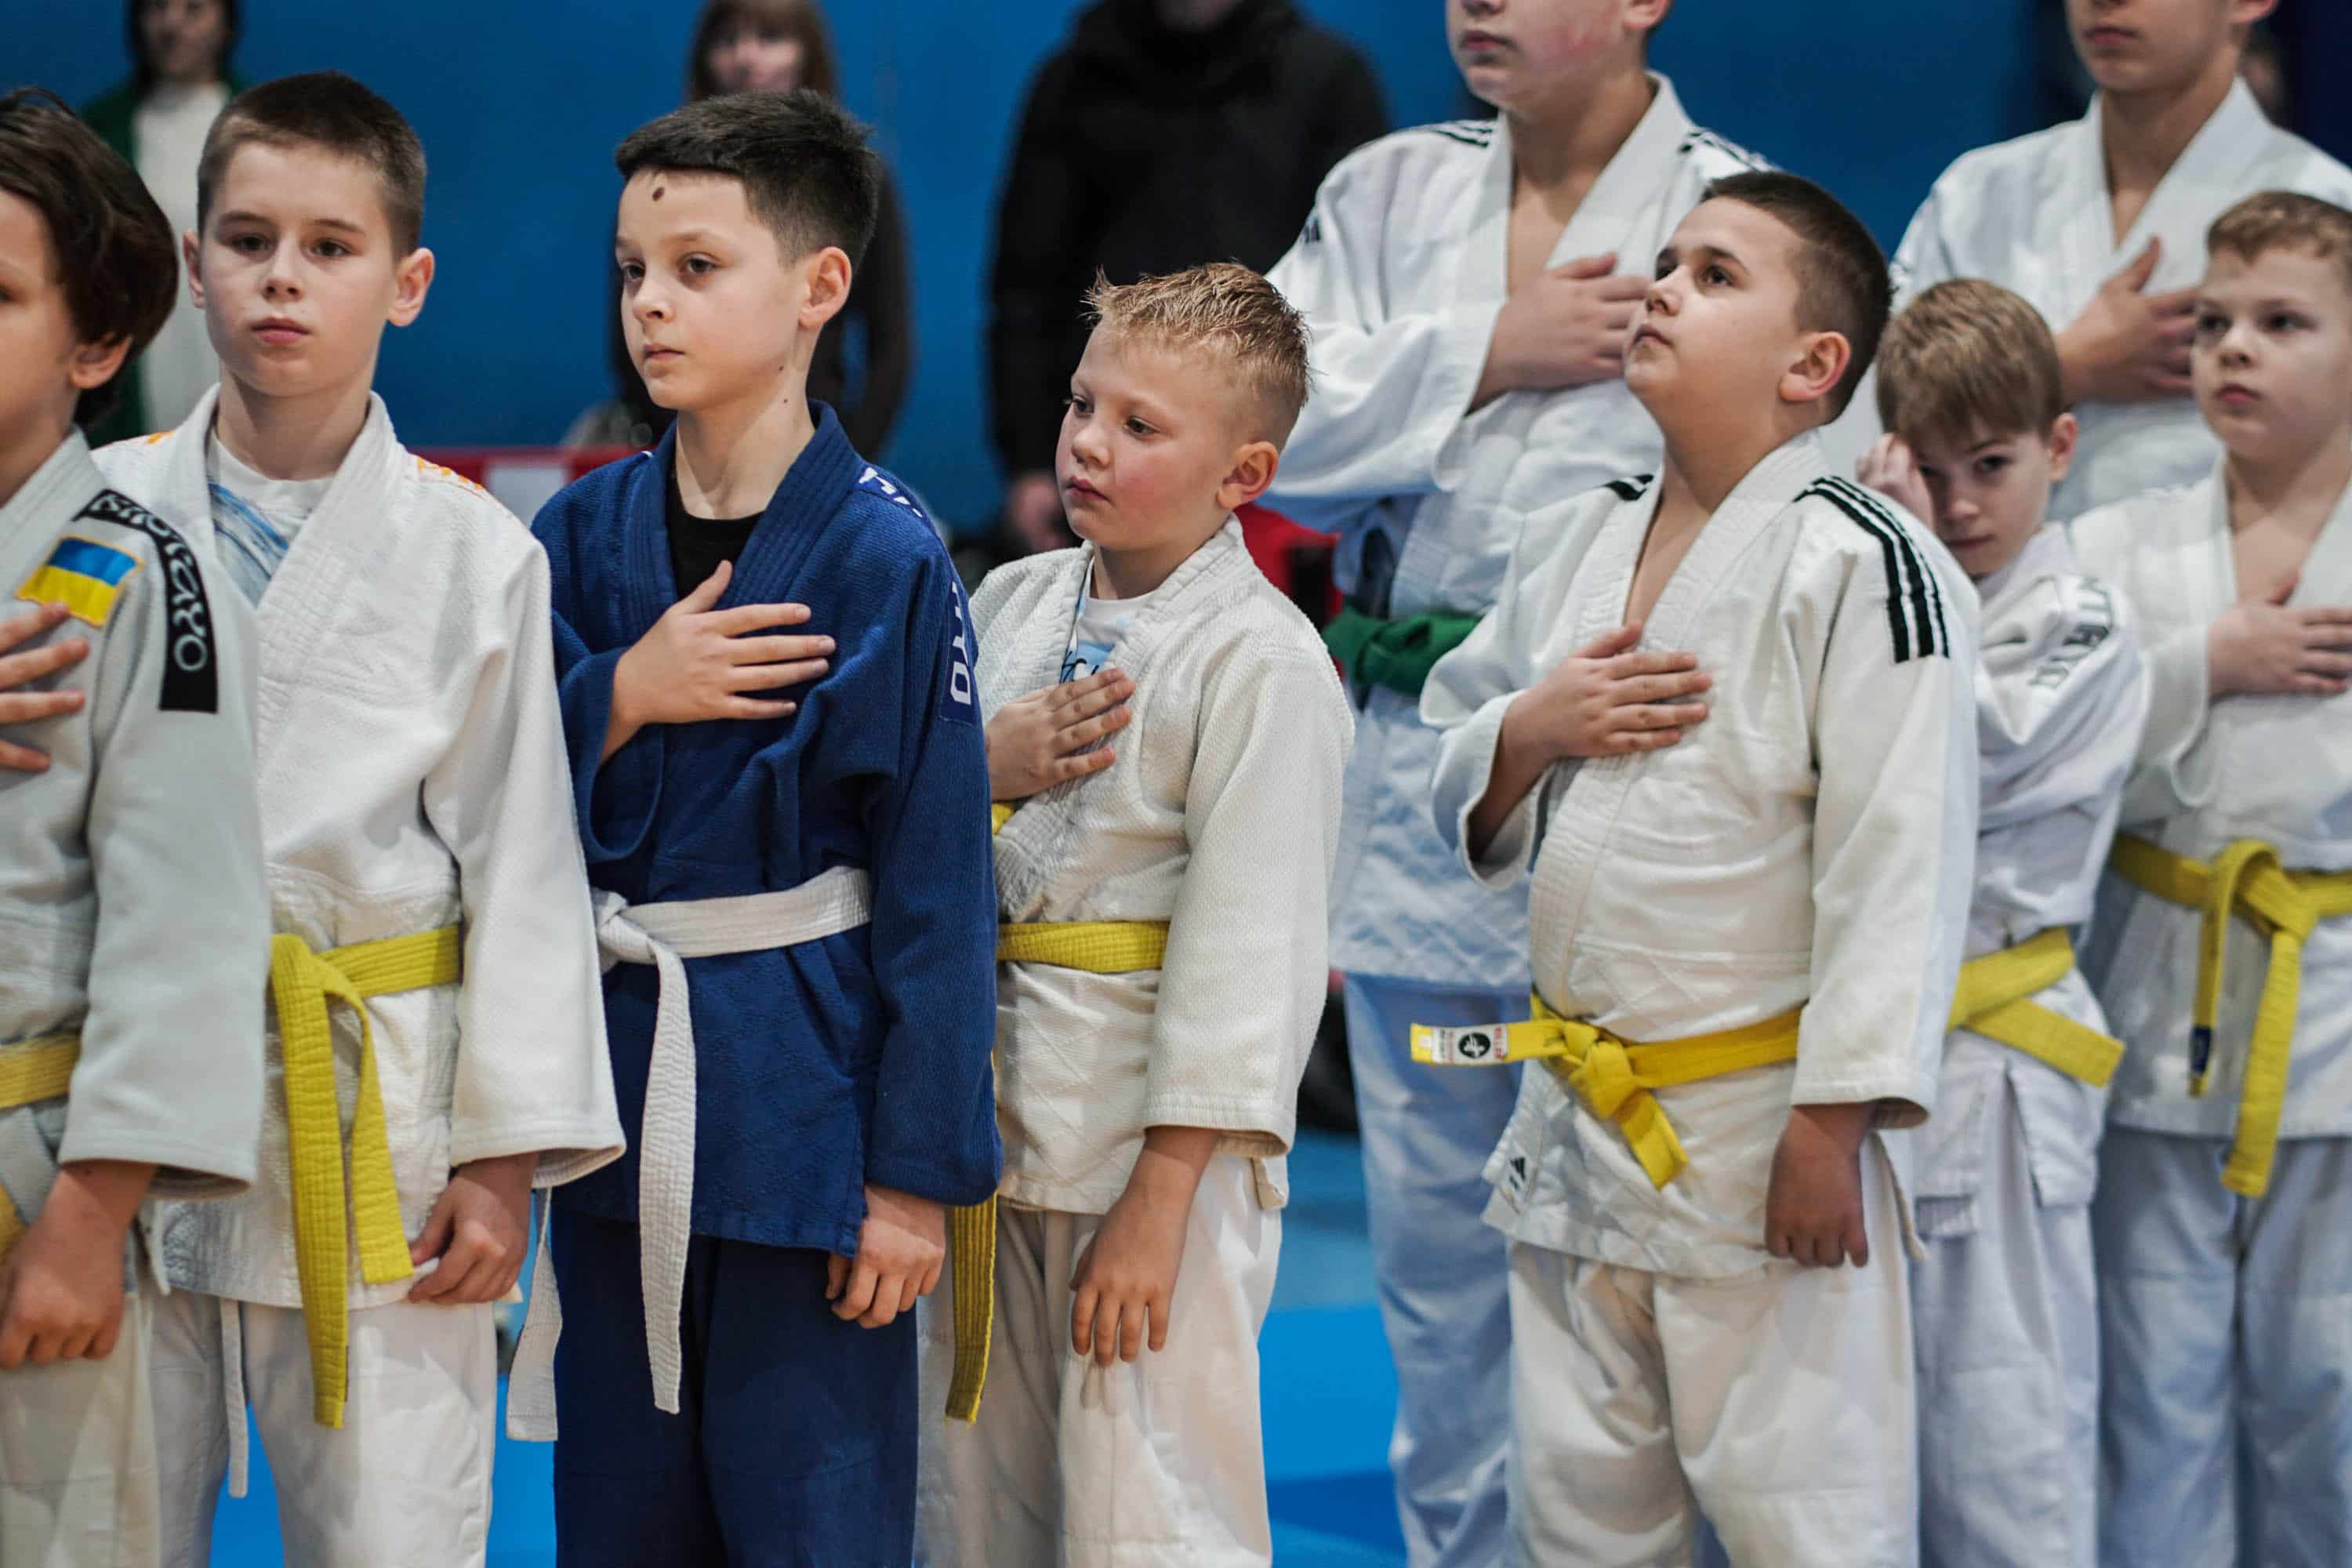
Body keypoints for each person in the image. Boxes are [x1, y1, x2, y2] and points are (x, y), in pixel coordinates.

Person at [93, 73, 625, 1566]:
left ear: (408, 282)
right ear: (192, 263)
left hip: (380, 1138)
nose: (284, 277)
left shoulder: (474, 553)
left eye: (330, 247)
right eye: (248, 240)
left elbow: (527, 871)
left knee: (393, 1536)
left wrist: (503, 1164)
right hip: (120, 1134)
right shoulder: (98, 519)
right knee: (95, 1529)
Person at [1259, 3, 1769, 1559]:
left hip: (1644, 778)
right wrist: (1488, 349)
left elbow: (1795, 481)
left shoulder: (1737, 214)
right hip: (1421, 785)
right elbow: (1256, 424)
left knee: (1644, 1265)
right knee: (1438, 1271)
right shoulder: (1388, 192)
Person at [1418, 172, 1977, 1566]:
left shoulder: (1869, 563)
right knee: (1579, 1528)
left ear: (1813, 365)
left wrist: (1833, 1125)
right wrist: (1532, 727)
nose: (1663, 287)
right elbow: (1455, 751)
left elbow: (1898, 860)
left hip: (1758, 1140)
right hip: (1578, 1129)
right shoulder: (1577, 536)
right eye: (1668, 262)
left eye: (1716, 275)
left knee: (1812, 1530)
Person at [525, 90, 999, 1565]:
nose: (650, 305)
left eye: (695, 268)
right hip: (612, 1108)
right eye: (631, 270)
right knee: (618, 1523)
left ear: (818, 286)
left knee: (812, 1523)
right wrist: (619, 695)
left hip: (810, 1126)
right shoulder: (575, 536)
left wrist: (913, 1178)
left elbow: (939, 889)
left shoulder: (888, 554)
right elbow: (489, 812)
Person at [915, 263, 1352, 1566]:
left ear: (1243, 474)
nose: (1090, 443)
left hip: (1151, 1158)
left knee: (1145, 1510)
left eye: (1141, 425)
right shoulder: (1010, 601)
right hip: (987, 1126)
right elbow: (920, 847)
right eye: (1082, 405)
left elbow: (1254, 953)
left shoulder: (1264, 661)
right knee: (973, 1504)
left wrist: (1163, 1196)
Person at [0, 85, 267, 1568]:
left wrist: (91, 1216)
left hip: (28, 1181)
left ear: (96, 344)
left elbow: (187, 932)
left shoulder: (135, 577)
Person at [2069, 190, 2352, 1568]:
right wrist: (2200, 668)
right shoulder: (2113, 544)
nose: (2234, 347)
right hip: (2152, 1000)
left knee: (2328, 1393)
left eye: (2284, 322)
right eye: (2215, 322)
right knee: (2151, 1394)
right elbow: (2034, 758)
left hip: (2340, 1023)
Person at [1858, 278, 2149, 1568]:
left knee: (2005, 1440)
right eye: (1929, 473)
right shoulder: (1874, 586)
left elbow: (1960, 747)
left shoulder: (2080, 621)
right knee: (1860, 1452)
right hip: (1872, 1056)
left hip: (2001, 1062)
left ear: (2060, 447)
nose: (1962, 504)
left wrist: (1905, 554)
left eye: (1991, 465)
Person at [1830, 0, 2352, 518]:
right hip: (1984, 566)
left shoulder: (2330, 205)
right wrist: (2065, 366)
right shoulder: (1981, 194)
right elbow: (1876, 426)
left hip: (2241, 563)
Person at [991, 0, 1386, 557]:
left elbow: (1363, 285)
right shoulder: (1075, 81)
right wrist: (1029, 461)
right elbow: (1027, 285)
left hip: (1288, 464)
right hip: (1115, 461)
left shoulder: (1329, 78)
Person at [566, 0, 913, 456]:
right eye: (727, 40)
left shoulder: (857, 179)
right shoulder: (657, 180)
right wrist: (682, 449)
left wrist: (843, 460)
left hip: (814, 441)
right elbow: (628, 347)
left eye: (770, 38)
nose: (745, 57)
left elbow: (891, 348)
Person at [81, 0, 248, 445]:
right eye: (157, 7)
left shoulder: (267, 125)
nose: (172, 24)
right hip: (142, 344)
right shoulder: (101, 130)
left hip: (233, 332)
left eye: (193, 9)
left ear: (226, 23)